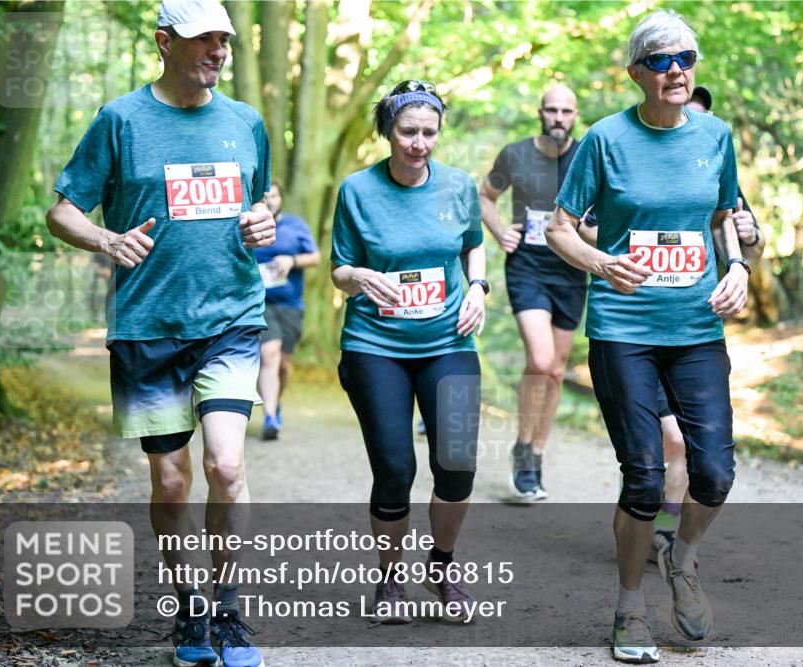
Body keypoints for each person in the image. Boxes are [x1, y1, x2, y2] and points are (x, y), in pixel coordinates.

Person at [45, 2, 273, 665]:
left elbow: (265, 195)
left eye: (224, 38)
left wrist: (264, 217)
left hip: (231, 317)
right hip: (147, 328)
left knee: (226, 465)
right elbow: (62, 211)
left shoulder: (245, 122)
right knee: (172, 483)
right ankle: (190, 608)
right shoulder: (120, 121)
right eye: (204, 39)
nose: (218, 50)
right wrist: (105, 239)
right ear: (164, 42)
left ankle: (229, 610)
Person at [546, 10, 749, 663]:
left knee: (714, 471)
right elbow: (559, 227)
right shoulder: (605, 139)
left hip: (695, 326)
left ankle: (682, 561)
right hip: (624, 327)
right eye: (660, 60)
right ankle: (629, 610)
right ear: (636, 73)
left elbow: (725, 215)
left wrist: (739, 267)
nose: (676, 70)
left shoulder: (716, 136)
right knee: (642, 478)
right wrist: (601, 262)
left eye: (685, 58)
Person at [331, 80, 488, 624]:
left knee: (458, 465)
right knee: (395, 468)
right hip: (375, 345)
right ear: (388, 131)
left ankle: (440, 567)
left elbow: (473, 245)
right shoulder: (357, 190)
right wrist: (359, 277)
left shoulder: (459, 186)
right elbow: (339, 269)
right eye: (407, 132)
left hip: (449, 341)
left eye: (429, 132)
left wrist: (477, 288)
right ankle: (390, 578)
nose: (419, 143)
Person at [652, 84, 767, 555]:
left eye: (697, 116)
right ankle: (643, 513)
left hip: (696, 329)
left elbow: (751, 251)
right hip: (637, 326)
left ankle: (663, 531)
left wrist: (751, 236)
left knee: (686, 445)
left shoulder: (719, 174)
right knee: (665, 442)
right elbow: (588, 228)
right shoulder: (640, 167)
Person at [481, 84, 592, 501]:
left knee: (557, 370)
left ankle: (535, 454)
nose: (558, 117)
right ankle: (522, 443)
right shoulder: (515, 154)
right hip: (527, 268)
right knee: (541, 360)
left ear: (575, 115)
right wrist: (499, 231)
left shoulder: (586, 156)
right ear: (540, 112)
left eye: (566, 111)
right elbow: (486, 196)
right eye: (552, 110)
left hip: (571, 271)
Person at [253, 181, 320, 440]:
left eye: (274, 195)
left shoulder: (295, 226)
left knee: (283, 363)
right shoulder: (249, 226)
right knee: (268, 353)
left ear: (281, 198)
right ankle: (270, 418)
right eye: (264, 197)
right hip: (259, 304)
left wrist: (292, 260)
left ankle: (276, 403)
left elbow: (315, 257)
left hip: (291, 304)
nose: (269, 201)